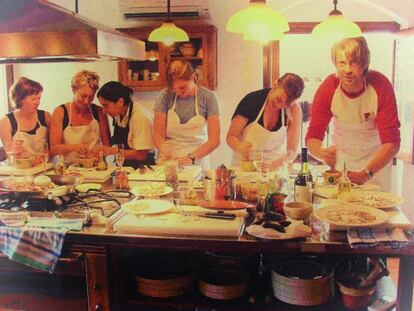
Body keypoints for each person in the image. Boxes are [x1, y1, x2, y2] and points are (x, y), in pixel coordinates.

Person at [306, 36, 400, 191]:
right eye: (342, 63)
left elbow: (392, 143)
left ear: (364, 64)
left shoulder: (380, 85)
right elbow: (313, 137)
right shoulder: (329, 88)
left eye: (353, 63)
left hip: (375, 169)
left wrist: (367, 172)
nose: (347, 70)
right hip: (342, 168)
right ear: (336, 64)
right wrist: (322, 153)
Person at [226, 73, 305, 170]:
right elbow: (231, 136)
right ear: (275, 85)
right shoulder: (252, 100)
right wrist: (239, 147)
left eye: (286, 105)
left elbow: (291, 151)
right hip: (245, 167)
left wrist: (274, 165)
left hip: (274, 172)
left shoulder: (294, 110)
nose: (279, 106)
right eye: (279, 99)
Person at [153, 60, 221, 169]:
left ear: (193, 77)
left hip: (197, 161)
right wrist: (163, 148)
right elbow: (158, 135)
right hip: (169, 162)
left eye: (182, 88)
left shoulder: (208, 97)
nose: (179, 93)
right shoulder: (164, 96)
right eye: (175, 90)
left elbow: (214, 140)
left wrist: (189, 158)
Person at [50, 70, 110, 162]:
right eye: (83, 96)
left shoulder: (99, 112)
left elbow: (107, 147)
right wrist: (73, 147)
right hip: (69, 170)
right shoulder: (60, 112)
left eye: (91, 97)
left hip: (95, 168)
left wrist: (100, 154)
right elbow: (54, 149)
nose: (87, 101)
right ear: (74, 90)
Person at [96, 81, 155, 169]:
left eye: (106, 106)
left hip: (143, 169)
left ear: (120, 102)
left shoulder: (140, 117)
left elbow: (141, 155)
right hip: (124, 166)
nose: (104, 111)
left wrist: (110, 151)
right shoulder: (118, 113)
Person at [0, 77, 51, 157]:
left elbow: (53, 148)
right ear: (19, 99)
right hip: (19, 168)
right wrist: (12, 150)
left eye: (39, 98)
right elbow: (9, 155)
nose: (38, 103)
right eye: (33, 99)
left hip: (43, 166)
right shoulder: (6, 121)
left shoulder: (46, 116)